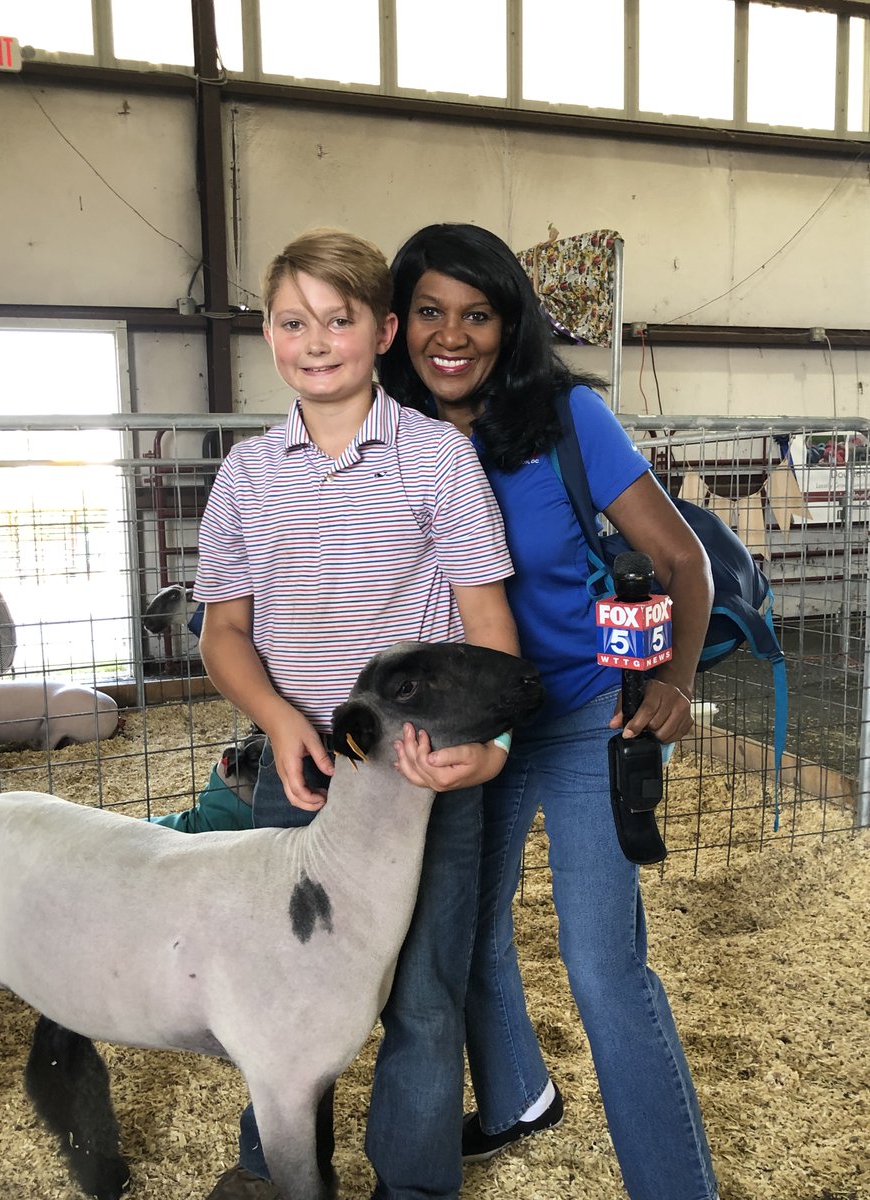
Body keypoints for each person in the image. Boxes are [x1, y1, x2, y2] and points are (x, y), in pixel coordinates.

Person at [378, 222, 720, 1200]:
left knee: (604, 970)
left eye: (477, 313)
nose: (454, 335)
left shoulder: (567, 419)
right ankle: (521, 1095)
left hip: (574, 716)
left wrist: (675, 681)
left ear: (509, 322)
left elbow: (681, 558)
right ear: (399, 324)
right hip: (465, 724)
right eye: (433, 312)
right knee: (463, 940)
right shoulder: (385, 430)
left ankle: (674, 1188)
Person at [192, 228, 519, 1200]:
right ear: (268, 332)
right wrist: (281, 721)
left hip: (419, 776)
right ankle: (272, 1171)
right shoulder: (247, 475)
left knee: (424, 996)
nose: (317, 339)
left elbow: (488, 623)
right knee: (283, 991)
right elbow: (223, 634)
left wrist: (489, 744)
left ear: (381, 331)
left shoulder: (437, 460)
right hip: (300, 772)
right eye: (294, 321)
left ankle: (414, 1188)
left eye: (339, 319)